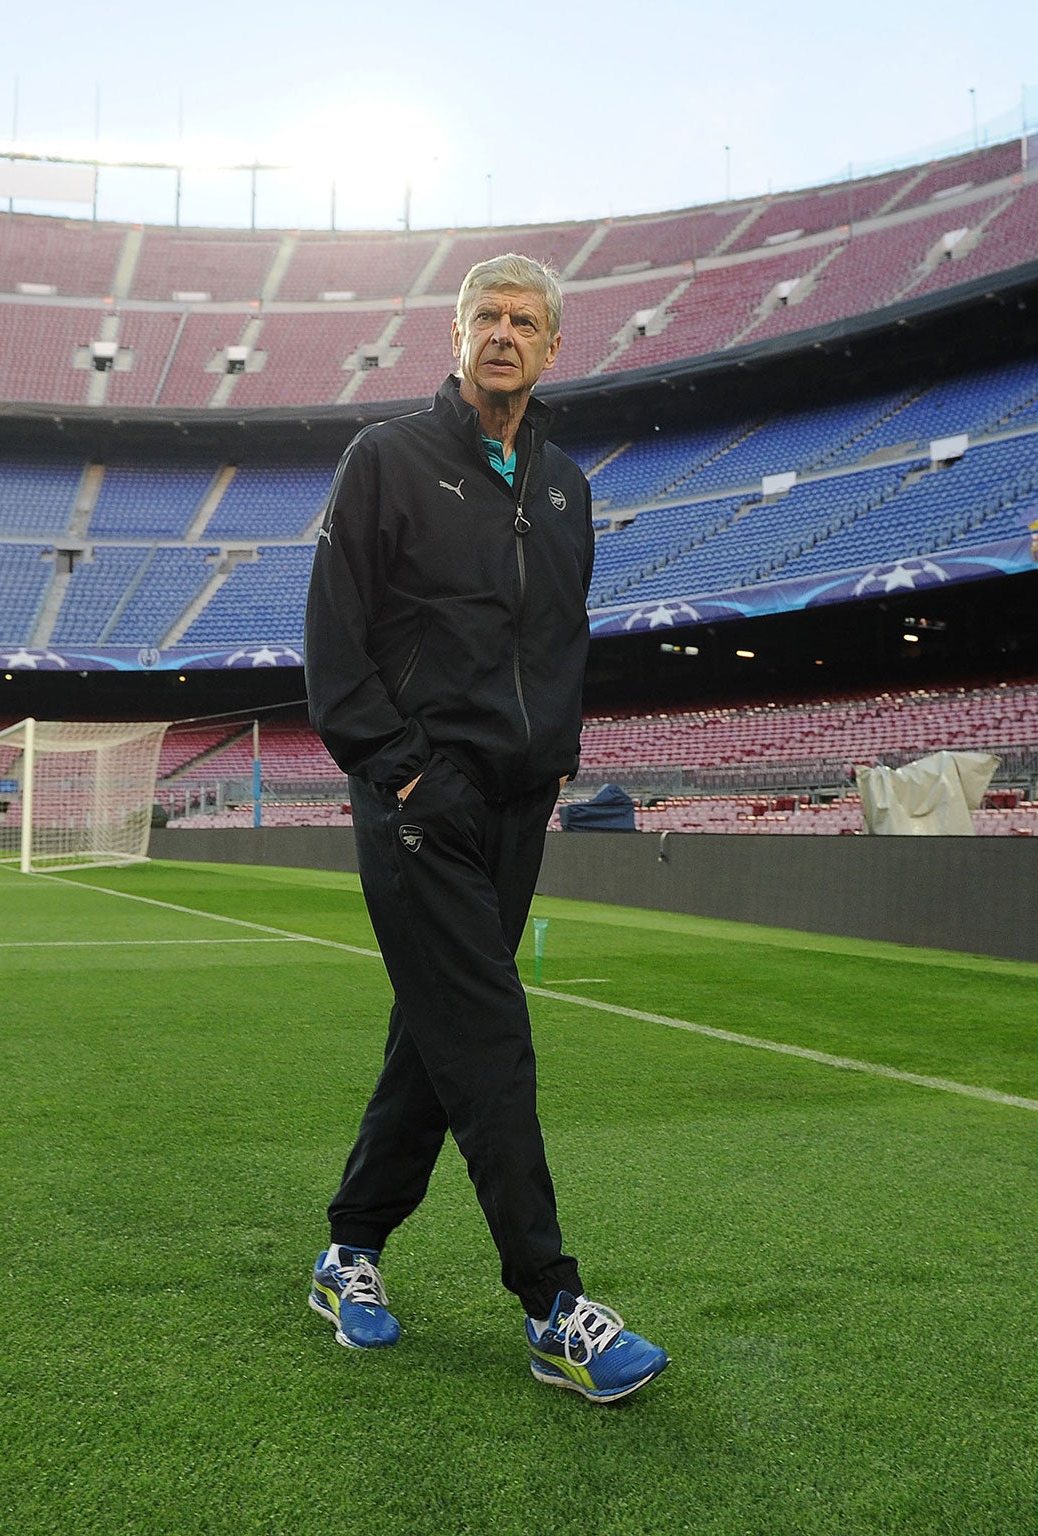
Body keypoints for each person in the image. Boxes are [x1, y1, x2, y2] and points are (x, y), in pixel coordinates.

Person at [301, 254, 669, 1404]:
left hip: (521, 804)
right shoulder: (386, 459)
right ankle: (554, 1304)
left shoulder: (563, 484)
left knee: (437, 1033)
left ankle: (348, 1250)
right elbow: (332, 640)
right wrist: (400, 774)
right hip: (421, 804)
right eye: (484, 317)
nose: (502, 334)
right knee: (492, 1038)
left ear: (552, 347)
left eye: (523, 320)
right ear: (453, 335)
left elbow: (559, 644)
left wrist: (550, 765)